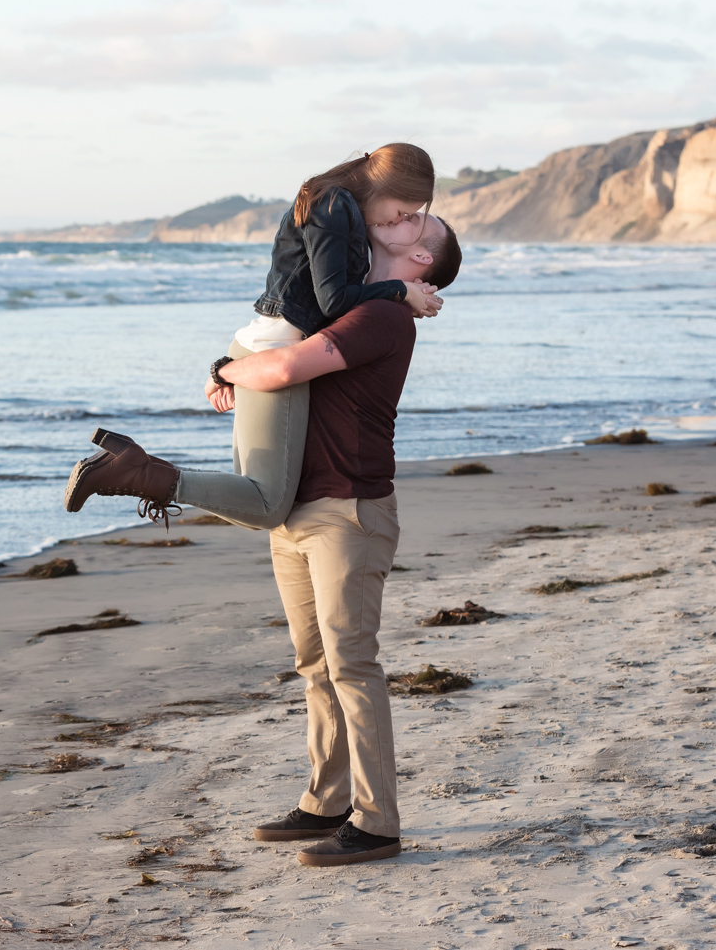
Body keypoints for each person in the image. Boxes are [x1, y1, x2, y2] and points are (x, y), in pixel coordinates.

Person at [67, 213, 459, 868]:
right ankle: (326, 799)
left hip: (348, 512)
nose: (398, 215)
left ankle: (378, 821)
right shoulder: (350, 303)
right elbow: (277, 352)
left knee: (352, 667)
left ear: (421, 255)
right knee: (315, 666)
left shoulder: (381, 319)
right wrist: (235, 373)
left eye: (418, 221)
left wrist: (227, 366)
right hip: (294, 508)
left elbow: (281, 368)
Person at [63, 144, 449, 528]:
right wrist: (400, 290)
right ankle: (134, 472)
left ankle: (139, 469)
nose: (396, 220)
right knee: (264, 505)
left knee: (254, 500)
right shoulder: (334, 206)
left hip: (263, 344)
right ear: (385, 186)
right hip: (273, 349)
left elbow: (342, 300)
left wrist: (407, 294)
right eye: (402, 211)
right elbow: (333, 302)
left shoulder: (334, 202)